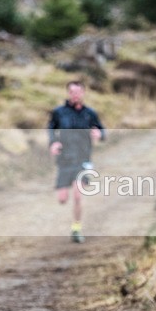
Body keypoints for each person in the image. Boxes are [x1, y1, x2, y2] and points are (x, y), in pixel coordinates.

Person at [48, 80, 105, 243]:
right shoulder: (59, 113)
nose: (75, 95)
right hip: (65, 159)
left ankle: (76, 228)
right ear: (68, 93)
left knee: (78, 196)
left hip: (83, 158)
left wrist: (99, 134)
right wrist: (53, 143)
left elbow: (101, 129)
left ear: (83, 93)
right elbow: (51, 129)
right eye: (72, 92)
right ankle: (66, 202)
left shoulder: (90, 113)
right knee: (62, 199)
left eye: (78, 92)